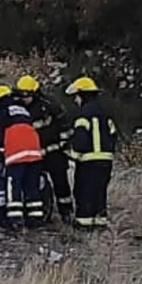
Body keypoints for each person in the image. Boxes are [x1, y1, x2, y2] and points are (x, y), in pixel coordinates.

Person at [14, 74, 74, 224]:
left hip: (54, 151)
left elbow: (64, 127)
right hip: (32, 154)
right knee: (33, 184)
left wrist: (62, 145)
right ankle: (38, 214)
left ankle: (66, 213)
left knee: (60, 183)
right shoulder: (17, 107)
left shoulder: (49, 105)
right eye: (21, 95)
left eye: (27, 95)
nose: (24, 98)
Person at [64, 76, 116, 229]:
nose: (75, 101)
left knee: (83, 193)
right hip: (106, 162)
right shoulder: (105, 114)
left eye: (76, 97)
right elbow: (113, 135)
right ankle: (100, 224)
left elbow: (80, 141)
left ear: (82, 95)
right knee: (99, 194)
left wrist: (71, 156)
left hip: (88, 163)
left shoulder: (82, 116)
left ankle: (83, 225)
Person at [0, 84, 44, 230]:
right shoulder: (23, 110)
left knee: (13, 187)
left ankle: (15, 220)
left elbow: (0, 135)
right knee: (32, 186)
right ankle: (35, 219)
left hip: (17, 154)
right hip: (34, 152)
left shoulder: (3, 111)